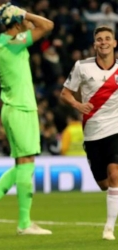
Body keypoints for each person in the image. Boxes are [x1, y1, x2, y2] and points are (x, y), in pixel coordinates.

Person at [0, 2, 54, 236]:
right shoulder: (13, 43)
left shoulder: (1, 42)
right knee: (26, 163)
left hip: (12, 108)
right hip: (20, 109)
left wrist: (16, 14)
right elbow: (47, 25)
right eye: (23, 22)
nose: (28, 24)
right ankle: (24, 223)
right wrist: (24, 13)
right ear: (16, 23)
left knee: (21, 164)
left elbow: (34, 26)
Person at [60, 25, 118, 241]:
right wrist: (77, 105)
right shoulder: (82, 67)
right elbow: (65, 93)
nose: (103, 42)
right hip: (93, 133)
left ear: (114, 43)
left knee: (115, 175)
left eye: (107, 39)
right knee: (104, 184)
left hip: (115, 129)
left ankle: (109, 229)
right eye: (99, 39)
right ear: (95, 44)